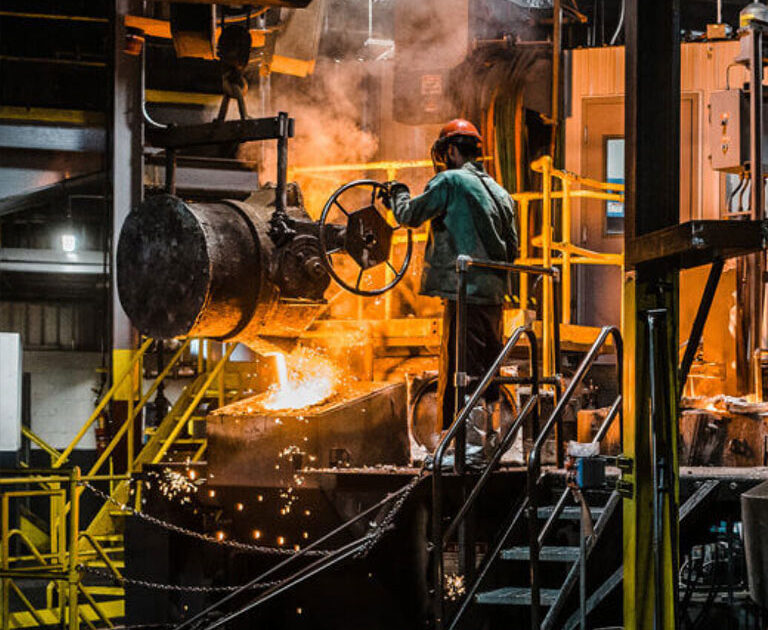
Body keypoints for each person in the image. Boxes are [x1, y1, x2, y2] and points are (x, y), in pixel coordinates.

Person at [385, 119, 518, 465]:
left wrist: (397, 192)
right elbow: (513, 248)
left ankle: (464, 451)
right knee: (488, 371)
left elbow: (408, 215)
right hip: (494, 297)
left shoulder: (451, 181)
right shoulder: (501, 193)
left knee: (461, 371)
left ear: (452, 151)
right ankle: (487, 444)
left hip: (465, 292)